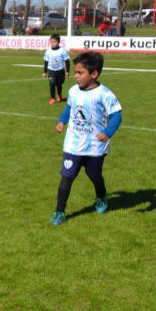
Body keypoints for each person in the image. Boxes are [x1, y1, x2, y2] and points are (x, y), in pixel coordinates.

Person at [51, 51, 122, 226]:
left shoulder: (104, 94)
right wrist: (62, 121)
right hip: (73, 144)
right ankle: (59, 212)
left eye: (80, 73)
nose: (75, 76)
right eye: (75, 72)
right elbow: (70, 107)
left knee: (94, 175)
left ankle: (101, 197)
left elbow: (117, 115)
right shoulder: (73, 91)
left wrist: (108, 132)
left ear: (94, 74)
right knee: (66, 177)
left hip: (95, 146)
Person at [42, 33, 70, 105]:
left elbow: (67, 61)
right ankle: (52, 98)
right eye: (51, 42)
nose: (53, 43)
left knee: (59, 84)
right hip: (51, 71)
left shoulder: (63, 51)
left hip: (60, 71)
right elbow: (46, 62)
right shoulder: (48, 51)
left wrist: (67, 71)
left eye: (54, 42)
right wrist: (45, 72)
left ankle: (59, 95)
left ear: (58, 42)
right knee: (52, 83)